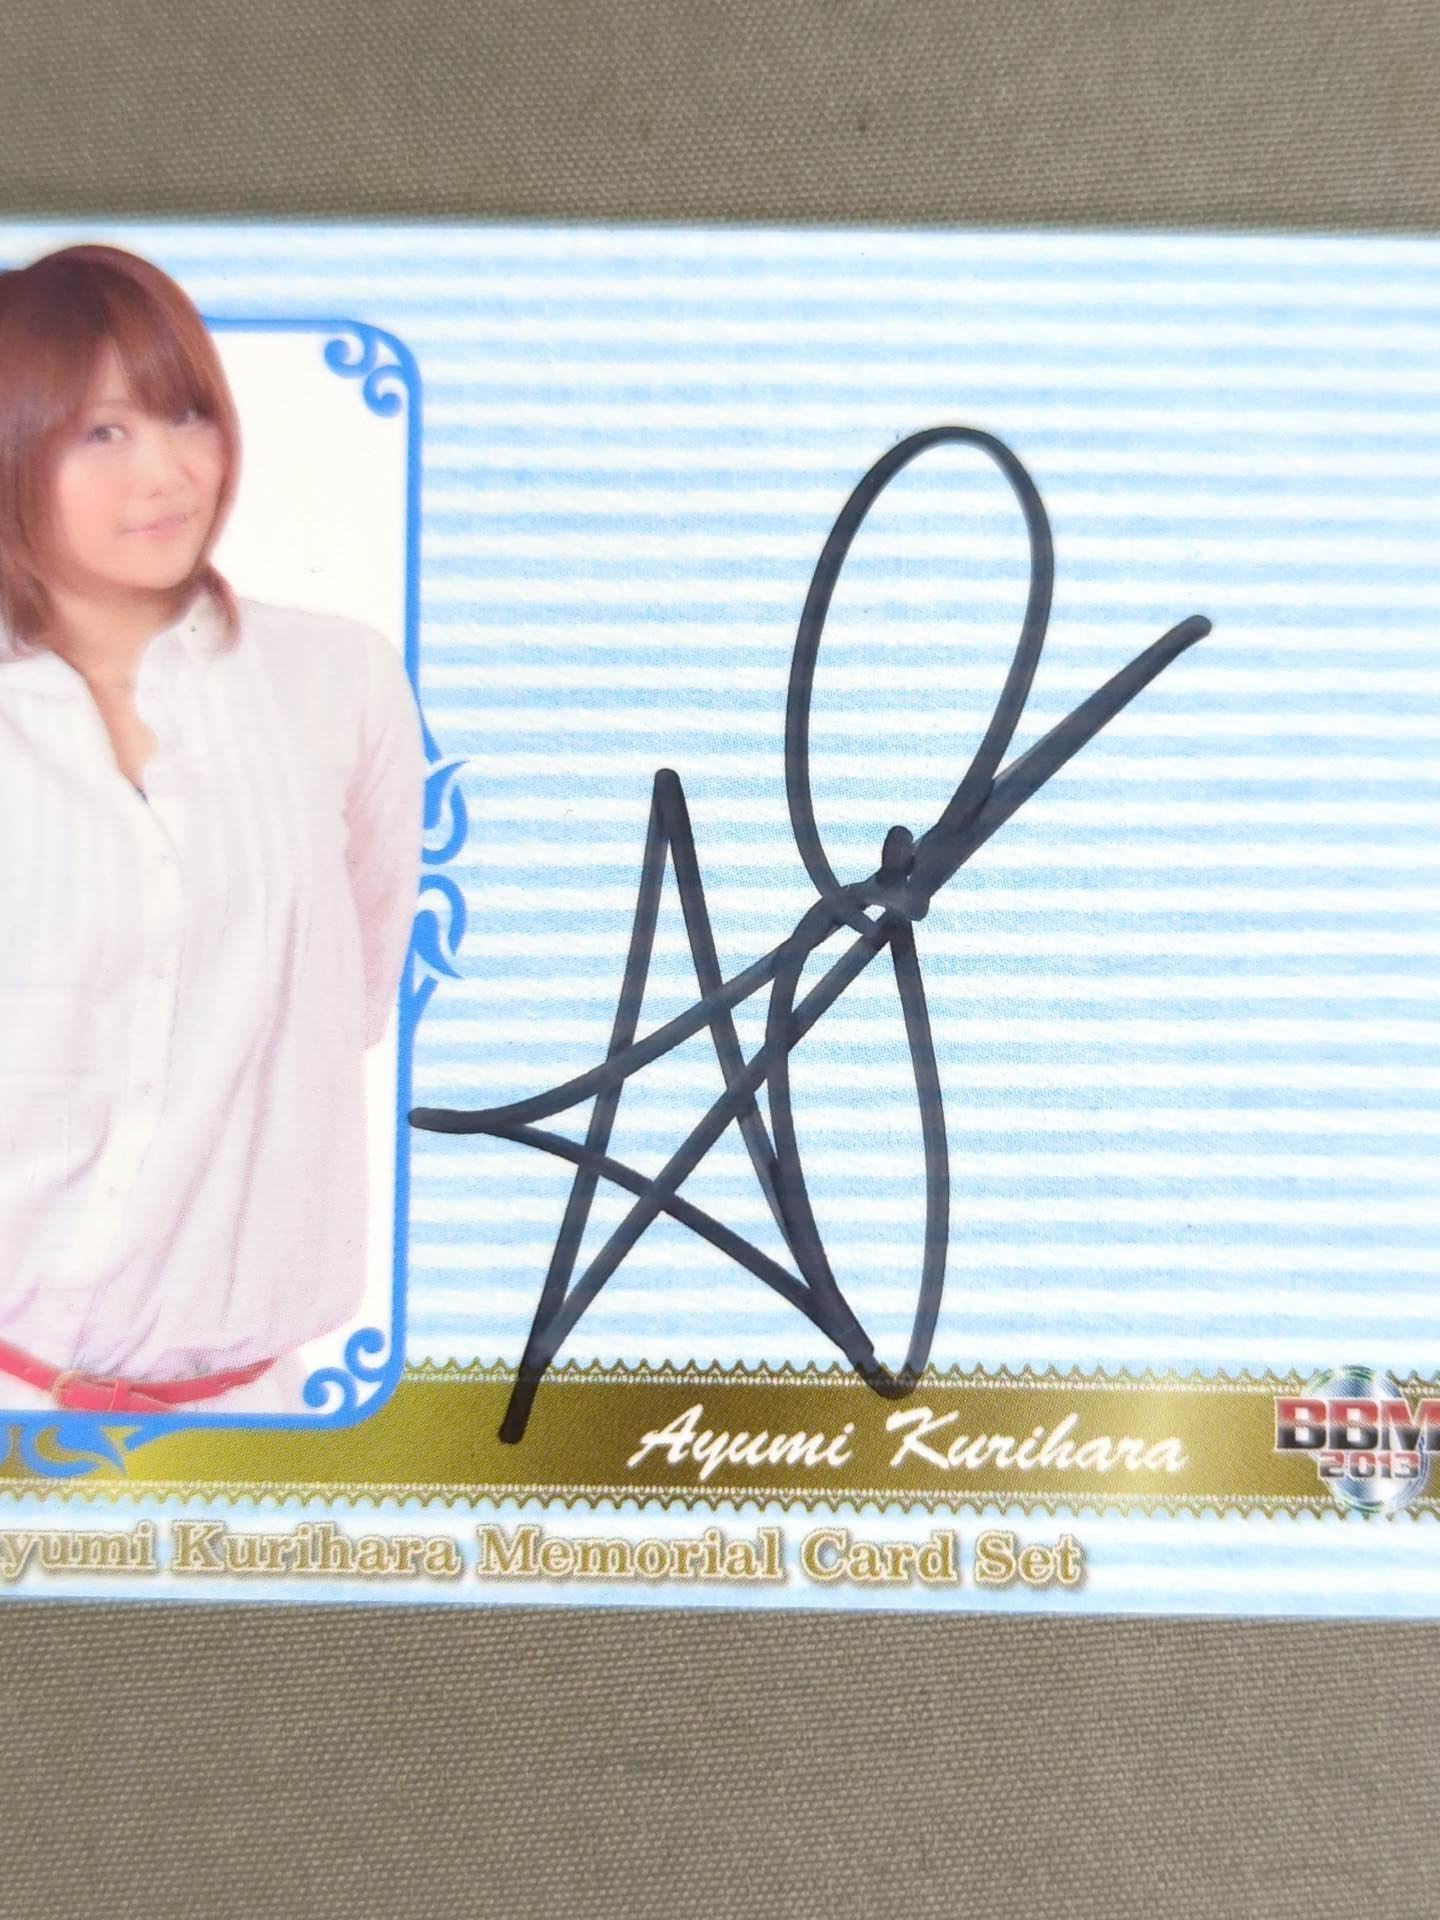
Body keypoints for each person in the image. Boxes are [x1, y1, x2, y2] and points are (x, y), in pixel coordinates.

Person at [0, 243, 425, 1416]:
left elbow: (354, 992)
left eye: (186, 415)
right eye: (100, 431)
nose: (167, 473)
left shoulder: (338, 679)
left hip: (258, 1406)